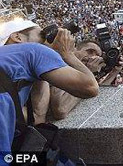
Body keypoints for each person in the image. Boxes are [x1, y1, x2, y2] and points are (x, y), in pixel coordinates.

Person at [0, 19, 99, 154]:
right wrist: (67, 54)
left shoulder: (12, 66)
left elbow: (37, 117)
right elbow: (90, 88)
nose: (46, 40)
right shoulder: (32, 50)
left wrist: (40, 74)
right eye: (42, 35)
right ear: (17, 37)